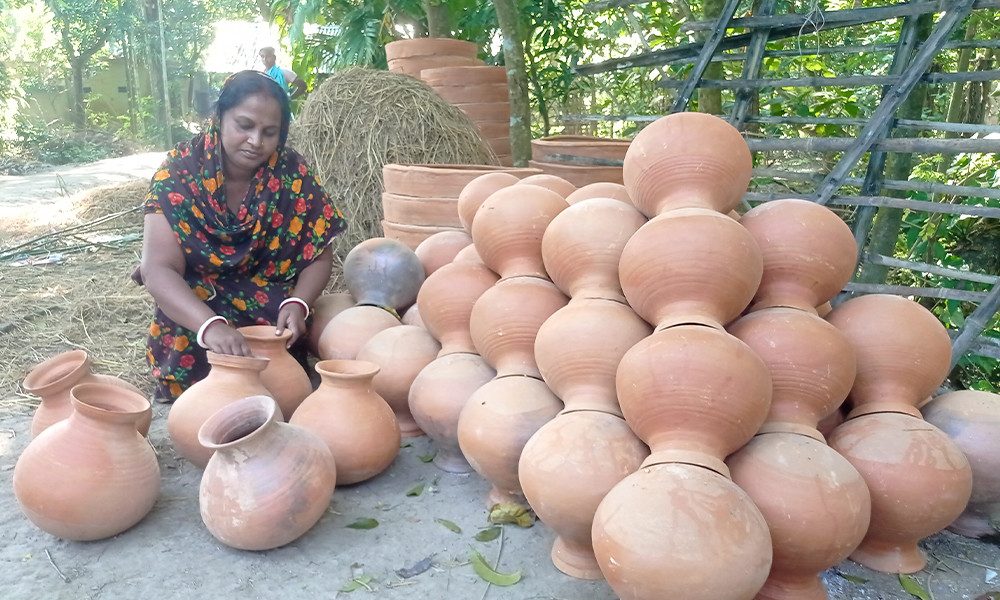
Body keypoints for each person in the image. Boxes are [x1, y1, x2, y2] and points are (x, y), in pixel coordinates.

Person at [138, 70, 347, 402]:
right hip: (198, 302)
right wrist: (210, 326)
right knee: (189, 313)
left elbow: (319, 252)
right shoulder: (178, 172)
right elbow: (157, 269)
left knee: (285, 359)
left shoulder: (292, 172)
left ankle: (281, 379)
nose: (256, 142)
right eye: (244, 126)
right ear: (220, 117)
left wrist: (299, 303)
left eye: (270, 132)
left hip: (266, 300)